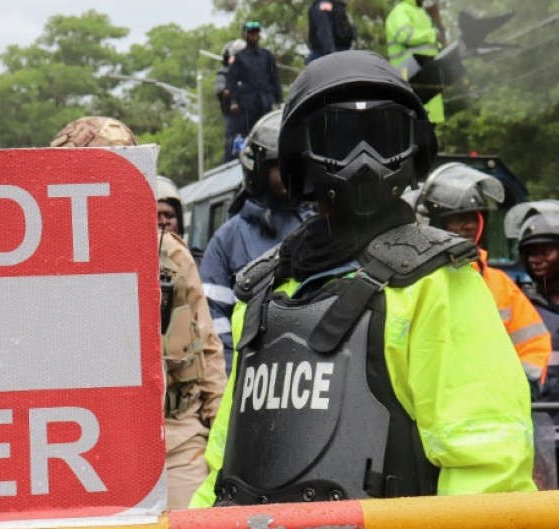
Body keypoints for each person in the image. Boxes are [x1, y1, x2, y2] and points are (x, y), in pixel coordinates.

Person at [190, 50, 535, 508]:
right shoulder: (264, 292)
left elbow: (488, 463)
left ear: (413, 148)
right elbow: (225, 469)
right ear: (298, 155)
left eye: (383, 136)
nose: (364, 159)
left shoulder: (436, 281)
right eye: (339, 138)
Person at [50, 116, 227, 510]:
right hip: (80, 444)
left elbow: (206, 344)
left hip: (174, 435)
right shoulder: (42, 261)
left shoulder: (169, 255)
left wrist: (218, 429)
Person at [416, 163, 552, 397]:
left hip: (496, 408)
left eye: (473, 217)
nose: (467, 225)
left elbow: (533, 343)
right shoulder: (416, 280)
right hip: (433, 406)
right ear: (436, 223)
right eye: (457, 218)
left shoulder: (499, 283)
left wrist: (524, 386)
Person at [198, 109, 311, 374]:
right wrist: (233, 376)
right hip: (251, 375)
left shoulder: (322, 224)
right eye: (278, 165)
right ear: (257, 169)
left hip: (315, 374)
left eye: (294, 164)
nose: (288, 173)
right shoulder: (229, 238)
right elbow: (211, 319)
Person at [507, 200, 559, 408]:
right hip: (538, 414)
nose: (535, 259)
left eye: (545, 251)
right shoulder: (519, 304)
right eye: (530, 252)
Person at [386, 0, 445, 123]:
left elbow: (437, 42)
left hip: (427, 78)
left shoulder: (423, 12)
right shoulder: (400, 11)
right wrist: (433, 34)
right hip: (409, 74)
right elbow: (405, 35)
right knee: (411, 127)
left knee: (427, 130)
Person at [227, 21, 283, 139]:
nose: (254, 35)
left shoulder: (267, 55)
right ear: (245, 35)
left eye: (256, 33)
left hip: (267, 101)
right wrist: (234, 101)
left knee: (268, 133)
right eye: (251, 33)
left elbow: (275, 79)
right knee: (249, 134)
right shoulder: (239, 57)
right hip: (247, 104)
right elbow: (232, 81)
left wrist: (279, 100)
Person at [216, 39, 247, 162]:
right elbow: (221, 90)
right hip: (234, 117)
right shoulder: (223, 73)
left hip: (252, 115)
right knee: (232, 146)